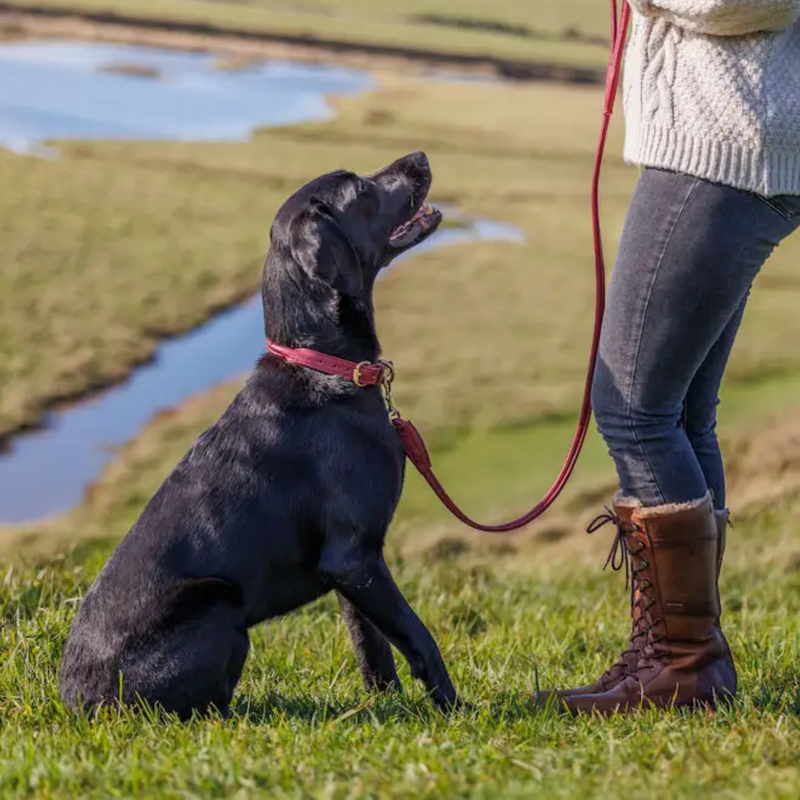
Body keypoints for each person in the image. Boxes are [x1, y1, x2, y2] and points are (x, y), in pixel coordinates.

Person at [539, 1, 800, 713]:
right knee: (681, 412)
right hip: (728, 145)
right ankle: (671, 655)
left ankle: (686, 663)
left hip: (724, 147)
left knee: (633, 409)